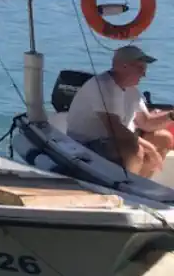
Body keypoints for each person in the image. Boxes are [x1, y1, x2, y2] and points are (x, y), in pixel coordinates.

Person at [66, 45, 174, 177]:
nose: (144, 74)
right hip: (85, 145)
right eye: (140, 68)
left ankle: (141, 184)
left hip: (110, 142)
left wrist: (171, 115)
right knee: (133, 149)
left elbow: (146, 122)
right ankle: (127, 188)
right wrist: (150, 148)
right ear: (123, 66)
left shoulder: (131, 89)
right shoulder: (104, 86)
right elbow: (115, 130)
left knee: (163, 138)